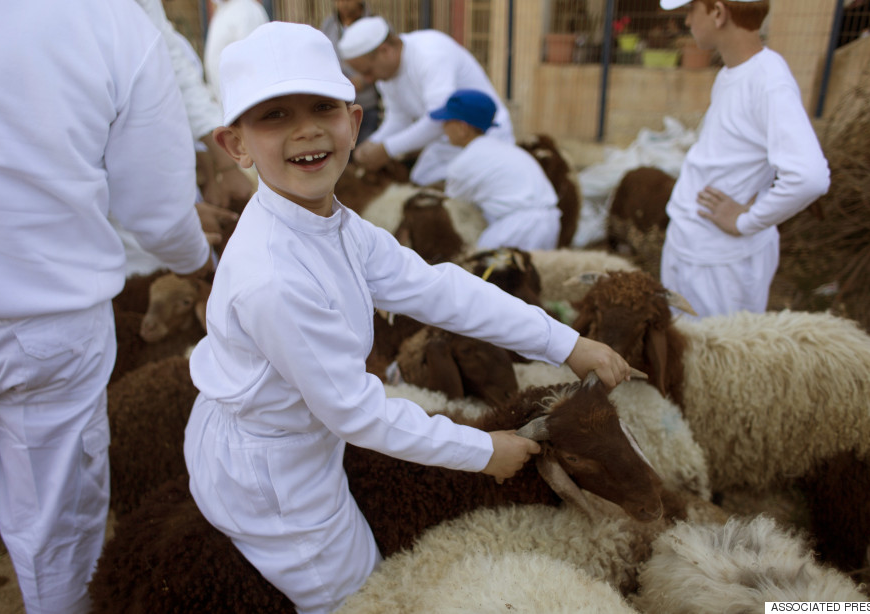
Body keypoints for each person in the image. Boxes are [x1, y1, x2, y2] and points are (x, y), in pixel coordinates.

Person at [183, 21, 632, 614]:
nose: (307, 130)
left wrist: (564, 342)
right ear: (234, 144)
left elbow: (439, 289)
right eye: (274, 116)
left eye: (322, 106)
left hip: (295, 435)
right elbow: (356, 412)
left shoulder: (335, 224)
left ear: (355, 121)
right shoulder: (274, 277)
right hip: (275, 477)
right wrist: (482, 450)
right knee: (360, 594)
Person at [0, 1, 213, 612]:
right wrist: (200, 261)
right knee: (55, 540)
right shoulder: (114, 22)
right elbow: (159, 212)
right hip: (48, 321)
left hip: (47, 318)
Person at [658, 0, 830, 318]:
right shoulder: (733, 73)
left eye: (691, 9)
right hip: (694, 248)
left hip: (720, 264)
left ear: (718, 13)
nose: (686, 21)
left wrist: (745, 220)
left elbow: (810, 177)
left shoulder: (768, 80)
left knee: (716, 359)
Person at [337, 16, 515, 186]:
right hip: (448, 140)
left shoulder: (430, 53)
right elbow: (399, 118)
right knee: (421, 179)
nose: (368, 80)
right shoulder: (385, 76)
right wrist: (373, 143)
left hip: (485, 136)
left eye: (368, 71)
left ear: (385, 50)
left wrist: (387, 149)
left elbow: (440, 119)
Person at [136, 0, 255, 211]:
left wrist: (227, 164)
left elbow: (253, 77)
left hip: (240, 129)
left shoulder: (246, 11)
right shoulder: (222, 15)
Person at [430, 89, 562, 251]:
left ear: (462, 128)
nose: (443, 127)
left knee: (481, 273)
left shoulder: (464, 163)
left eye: (447, 120)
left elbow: (455, 209)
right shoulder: (506, 149)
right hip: (550, 223)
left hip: (516, 229)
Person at [321, 0, 382, 144]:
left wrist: (365, 79)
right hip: (338, 102)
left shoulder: (375, 24)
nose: (343, 5)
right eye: (338, 1)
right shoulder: (329, 25)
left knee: (365, 147)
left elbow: (384, 62)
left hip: (367, 102)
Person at [203, 0, 270, 104]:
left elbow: (252, 62)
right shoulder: (224, 10)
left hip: (244, 102)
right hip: (227, 103)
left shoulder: (245, 9)